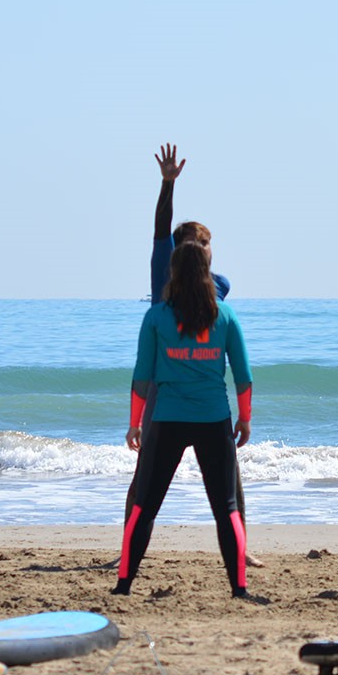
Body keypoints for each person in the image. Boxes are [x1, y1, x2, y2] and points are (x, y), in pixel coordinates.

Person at [114, 143, 261, 567]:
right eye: (200, 243)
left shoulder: (218, 286)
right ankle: (127, 548)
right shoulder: (166, 268)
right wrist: (167, 185)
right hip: (166, 387)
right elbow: (161, 229)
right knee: (146, 476)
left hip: (207, 389)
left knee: (229, 475)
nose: (205, 250)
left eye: (207, 243)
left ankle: (242, 551)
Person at [113, 241, 256, 599]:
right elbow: (243, 375)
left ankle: (124, 585)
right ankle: (239, 589)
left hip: (167, 421)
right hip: (213, 420)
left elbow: (142, 376)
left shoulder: (157, 317)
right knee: (227, 509)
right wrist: (245, 419)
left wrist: (135, 423)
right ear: (208, 273)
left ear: (173, 272)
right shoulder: (225, 316)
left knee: (145, 506)